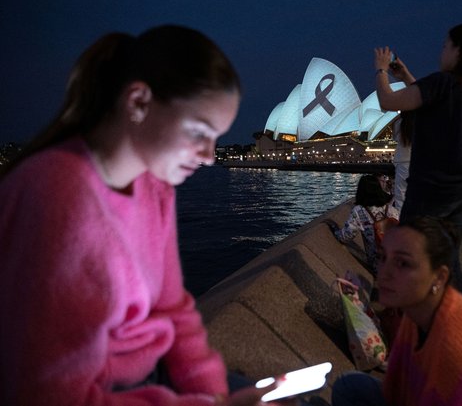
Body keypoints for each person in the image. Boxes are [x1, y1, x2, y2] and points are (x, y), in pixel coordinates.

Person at [0, 25, 276, 405]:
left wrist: (212, 391)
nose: (211, 156)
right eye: (199, 131)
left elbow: (171, 306)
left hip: (152, 376)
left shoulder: (153, 185)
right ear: (138, 102)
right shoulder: (54, 196)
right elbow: (45, 393)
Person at [331, 217, 462, 406]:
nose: (384, 273)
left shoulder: (458, 355)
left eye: (403, 263)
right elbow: (396, 385)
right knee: (348, 385)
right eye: (383, 257)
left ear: (439, 277)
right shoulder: (417, 311)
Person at [374, 22, 462, 293]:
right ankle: (457, 320)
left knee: (406, 252)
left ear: (460, 52)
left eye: (445, 46)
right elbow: (431, 99)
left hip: (431, 187)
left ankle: (411, 317)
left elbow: (387, 101)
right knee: (447, 258)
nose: (441, 52)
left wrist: (381, 69)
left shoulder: (443, 82)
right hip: (461, 188)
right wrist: (405, 75)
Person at [329, 174, 399, 273]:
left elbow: (346, 236)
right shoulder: (391, 209)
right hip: (398, 262)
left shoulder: (359, 211)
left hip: (378, 265)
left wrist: (334, 231)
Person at [391, 113, 413, 213]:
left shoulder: (399, 123)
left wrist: (399, 116)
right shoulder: (423, 122)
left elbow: (395, 138)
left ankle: (402, 220)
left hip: (403, 161)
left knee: (401, 194)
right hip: (418, 161)